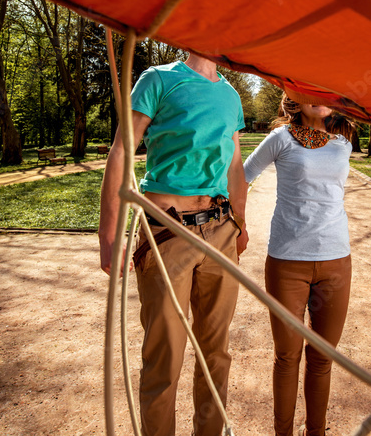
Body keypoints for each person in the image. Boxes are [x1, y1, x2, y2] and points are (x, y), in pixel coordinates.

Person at [99, 54, 248, 436]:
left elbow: (234, 166)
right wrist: (109, 234)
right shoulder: (159, 80)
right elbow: (121, 151)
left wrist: (240, 224)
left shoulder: (231, 96)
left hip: (221, 231)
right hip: (165, 233)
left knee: (216, 353)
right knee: (164, 358)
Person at [242, 94, 355, 436]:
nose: (319, 100)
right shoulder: (281, 138)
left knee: (322, 359)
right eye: (310, 93)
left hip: (337, 262)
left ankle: (316, 432)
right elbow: (242, 176)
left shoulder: (344, 139)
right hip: (287, 263)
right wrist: (238, 226)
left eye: (326, 93)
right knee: (287, 357)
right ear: (295, 99)